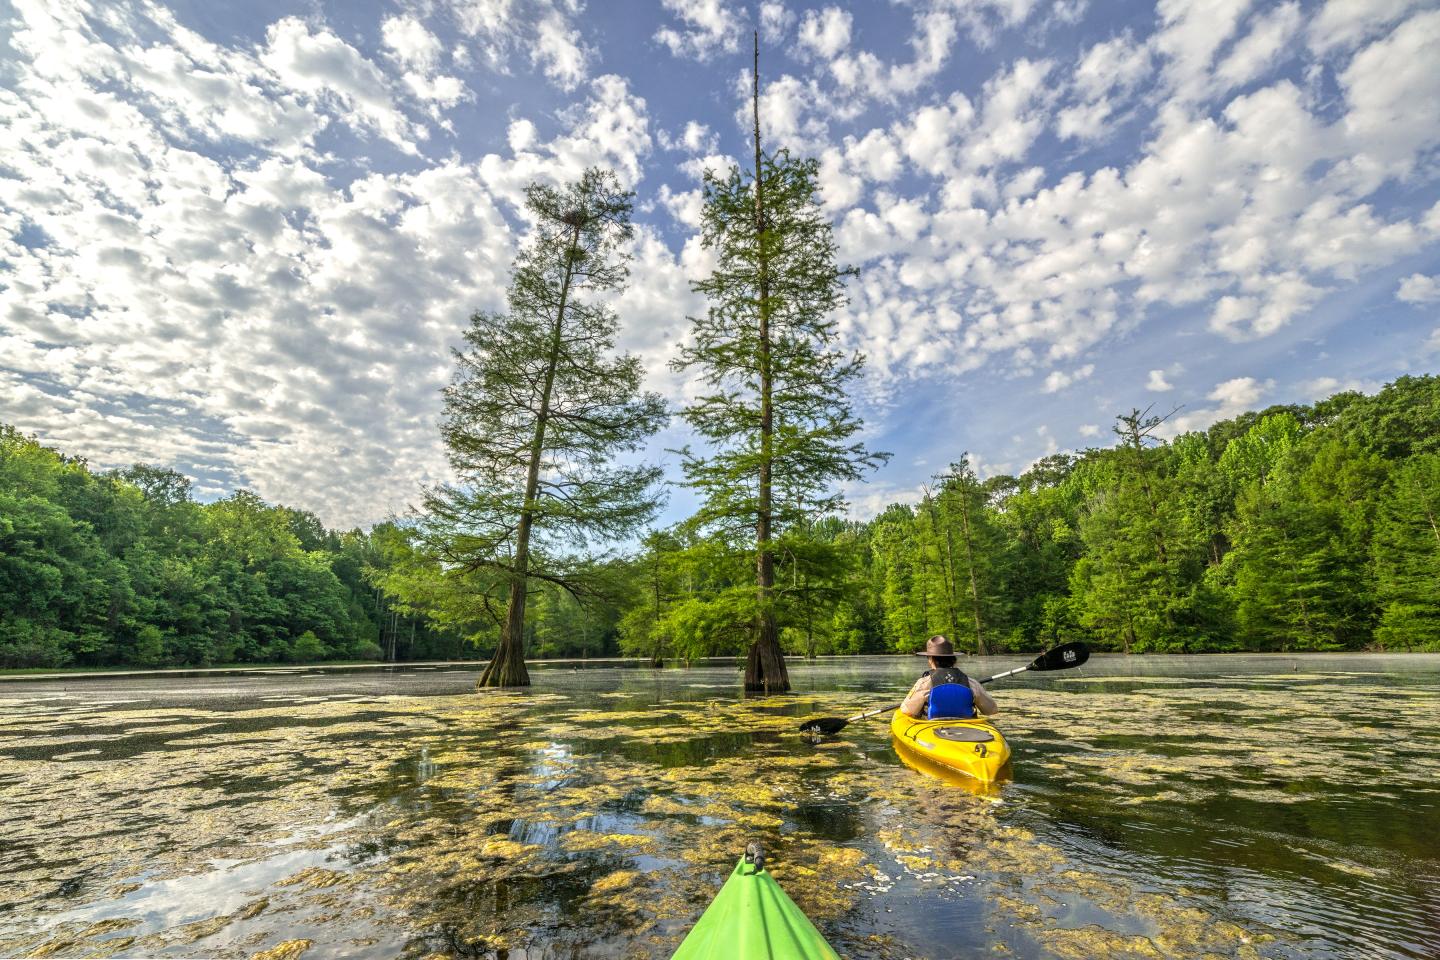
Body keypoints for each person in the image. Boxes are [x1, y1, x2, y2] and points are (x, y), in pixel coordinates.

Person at [900, 635, 997, 719]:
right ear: (953, 660)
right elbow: (991, 710)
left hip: (933, 727)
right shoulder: (971, 682)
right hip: (967, 727)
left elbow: (907, 710)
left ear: (931, 659)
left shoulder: (924, 683)